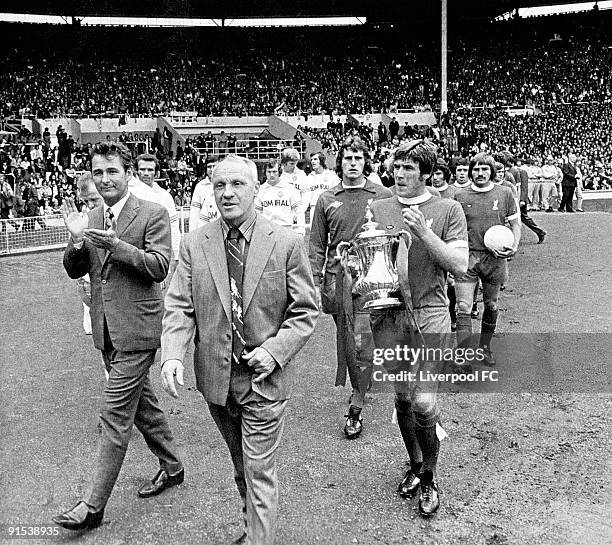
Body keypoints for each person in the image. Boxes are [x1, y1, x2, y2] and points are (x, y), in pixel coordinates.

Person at [161, 154, 318, 545]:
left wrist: (276, 350)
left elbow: (305, 310)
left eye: (237, 185)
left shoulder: (284, 242)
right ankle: (251, 531)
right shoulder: (196, 243)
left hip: (264, 380)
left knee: (258, 470)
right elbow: (180, 304)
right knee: (240, 465)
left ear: (256, 189)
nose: (227, 193)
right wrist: (173, 354)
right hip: (216, 380)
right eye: (219, 185)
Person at [53, 141, 184, 531]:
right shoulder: (91, 214)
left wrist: (119, 246)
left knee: (114, 415)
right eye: (98, 172)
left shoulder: (154, 213)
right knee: (144, 407)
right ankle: (173, 466)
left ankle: (93, 506)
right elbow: (75, 270)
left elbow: (160, 266)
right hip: (107, 331)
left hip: (140, 331)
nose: (105, 179)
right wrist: (77, 240)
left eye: (113, 171)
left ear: (127, 174)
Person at [369, 139, 468, 517]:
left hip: (430, 313)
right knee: (403, 400)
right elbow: (370, 264)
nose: (401, 173)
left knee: (425, 403)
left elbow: (459, 266)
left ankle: (429, 475)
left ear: (426, 173)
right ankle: (414, 464)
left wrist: (425, 233)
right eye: (397, 166)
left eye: (410, 168)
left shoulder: (448, 209)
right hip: (389, 315)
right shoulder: (378, 207)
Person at [309, 136, 392, 439]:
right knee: (349, 339)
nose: (352, 164)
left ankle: (356, 404)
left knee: (361, 341)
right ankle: (364, 377)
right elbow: (317, 245)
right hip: (338, 281)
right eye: (347, 158)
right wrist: (316, 282)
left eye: (358, 158)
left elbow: (392, 235)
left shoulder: (382, 194)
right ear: (339, 161)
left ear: (366, 161)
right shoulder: (327, 198)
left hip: (374, 280)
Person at [454, 152, 521, 367]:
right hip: (468, 256)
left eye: (484, 169)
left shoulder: (505, 193)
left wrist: (514, 246)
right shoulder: (460, 196)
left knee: (491, 305)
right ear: (470, 171)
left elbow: (515, 225)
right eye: (476, 169)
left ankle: (484, 348)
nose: (480, 173)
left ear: (492, 171)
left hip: (495, 258)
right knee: (463, 307)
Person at [136, 153, 181, 269]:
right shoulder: (128, 194)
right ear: (136, 172)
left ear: (156, 173)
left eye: (150, 170)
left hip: (157, 251)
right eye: (142, 169)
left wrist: (177, 254)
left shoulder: (164, 196)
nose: (146, 173)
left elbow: (173, 226)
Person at [255, 158, 304, 235]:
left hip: (286, 229)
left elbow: (299, 211)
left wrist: (300, 230)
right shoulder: (260, 190)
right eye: (269, 172)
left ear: (279, 172)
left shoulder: (290, 188)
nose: (271, 175)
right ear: (265, 172)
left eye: (274, 171)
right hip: (268, 231)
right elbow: (257, 214)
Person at [305, 152, 340, 226]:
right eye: (311, 160)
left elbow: (338, 194)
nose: (312, 162)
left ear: (321, 161)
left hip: (329, 208)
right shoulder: (309, 177)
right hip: (314, 208)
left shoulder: (332, 176)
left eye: (315, 159)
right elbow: (306, 197)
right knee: (315, 234)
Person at [279, 148, 308, 232]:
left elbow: (306, 195)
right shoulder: (279, 176)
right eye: (291, 163)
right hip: (284, 214)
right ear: (284, 163)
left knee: (299, 239)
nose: (294, 166)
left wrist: (301, 210)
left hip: (299, 213)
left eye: (295, 163)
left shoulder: (301, 175)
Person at [189, 155, 220, 231]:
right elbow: (194, 213)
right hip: (205, 228)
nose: (212, 169)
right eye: (209, 167)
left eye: (214, 166)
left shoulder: (225, 184)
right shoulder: (200, 187)